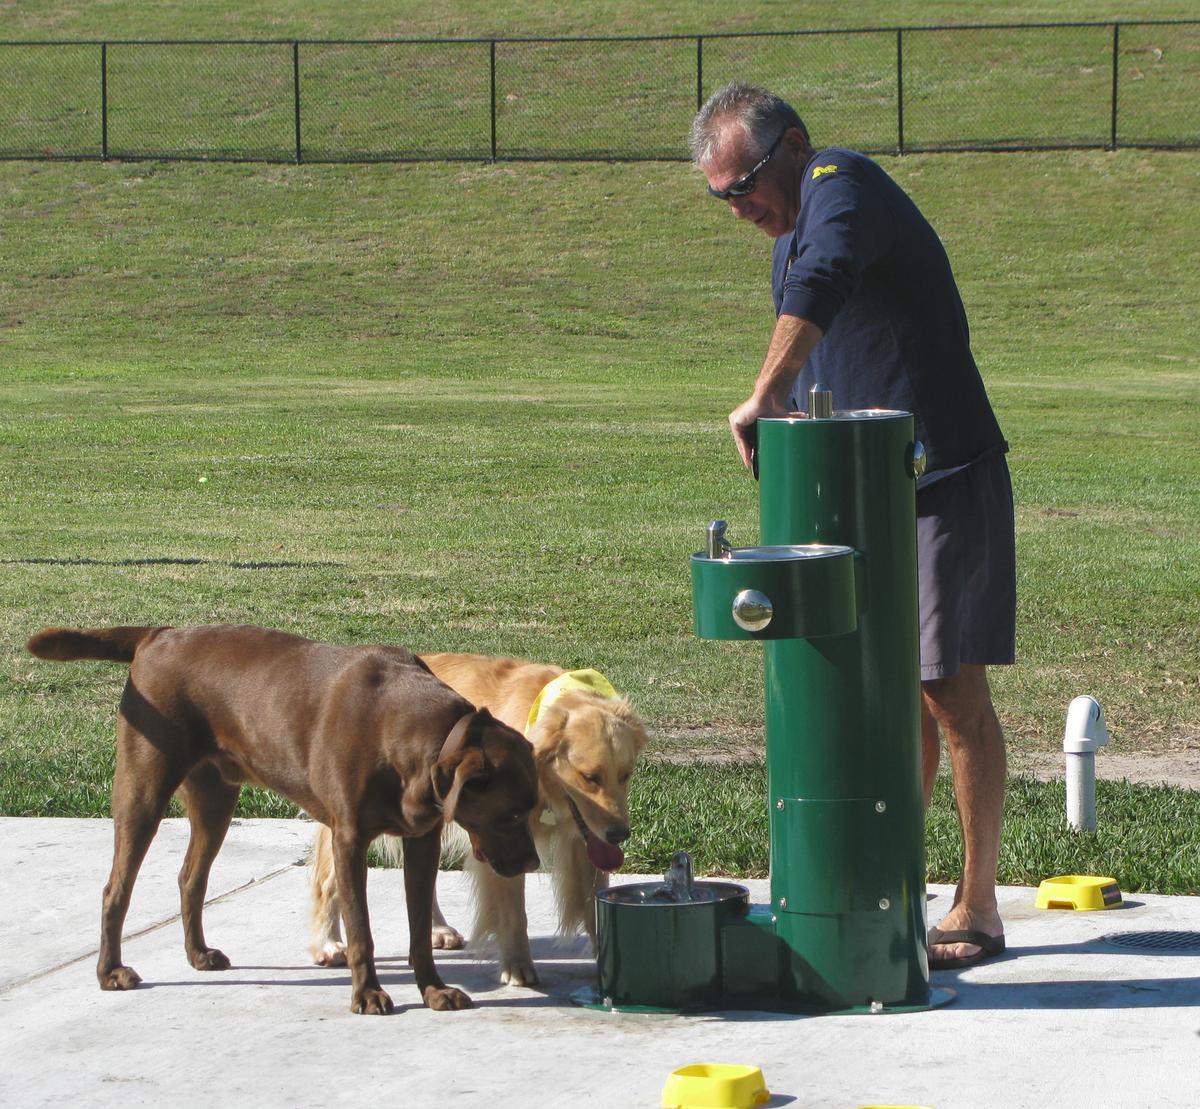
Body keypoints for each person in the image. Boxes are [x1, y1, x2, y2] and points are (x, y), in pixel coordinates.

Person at [691, 81, 1014, 970]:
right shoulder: (789, 227)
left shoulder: (842, 184)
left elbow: (826, 279)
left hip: (938, 472)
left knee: (946, 688)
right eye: (720, 195)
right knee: (883, 693)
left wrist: (766, 393)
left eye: (745, 181)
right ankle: (890, 883)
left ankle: (978, 905)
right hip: (863, 489)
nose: (738, 205)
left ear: (793, 144)